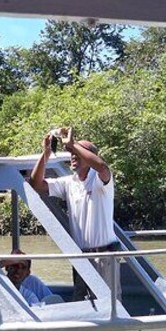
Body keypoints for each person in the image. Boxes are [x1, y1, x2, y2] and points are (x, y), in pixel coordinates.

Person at [29, 127, 119, 302]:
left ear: (90, 156)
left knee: (109, 306)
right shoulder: (69, 183)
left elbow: (102, 166)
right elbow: (36, 184)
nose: (73, 155)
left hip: (104, 257)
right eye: (71, 153)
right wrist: (45, 154)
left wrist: (72, 145)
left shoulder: (100, 179)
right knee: (81, 304)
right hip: (81, 258)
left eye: (78, 153)